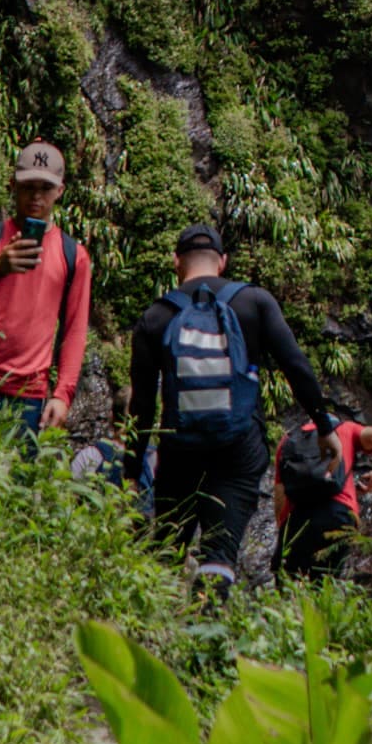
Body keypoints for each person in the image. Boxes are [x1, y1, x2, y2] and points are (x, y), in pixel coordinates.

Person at [126, 221, 322, 591]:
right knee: (221, 550)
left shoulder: (155, 316)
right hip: (239, 448)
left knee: (166, 547)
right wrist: (325, 427)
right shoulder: (255, 302)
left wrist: (132, 470)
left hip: (180, 448)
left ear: (176, 262)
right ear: (223, 261)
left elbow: (142, 405)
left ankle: (149, 630)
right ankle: (207, 633)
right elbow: (297, 366)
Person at [0, 142, 92, 441]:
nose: (36, 196)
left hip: (28, 396)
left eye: (45, 188)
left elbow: (74, 330)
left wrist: (63, 394)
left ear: (60, 191)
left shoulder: (74, 256)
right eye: (28, 186)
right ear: (13, 185)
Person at [274, 393, 372, 582]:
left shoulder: (287, 440)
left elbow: (280, 493)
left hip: (298, 519)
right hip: (338, 514)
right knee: (325, 583)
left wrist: (283, 529)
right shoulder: (344, 429)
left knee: (287, 582)